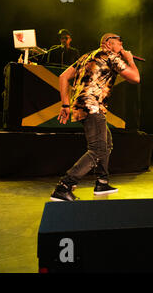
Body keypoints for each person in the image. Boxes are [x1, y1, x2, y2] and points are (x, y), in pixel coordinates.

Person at [50, 33, 141, 201]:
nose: (122, 47)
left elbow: (63, 77)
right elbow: (135, 78)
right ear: (108, 43)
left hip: (80, 105)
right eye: (120, 43)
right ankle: (64, 186)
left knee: (106, 142)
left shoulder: (87, 56)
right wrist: (130, 59)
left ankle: (102, 182)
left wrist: (65, 104)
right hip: (93, 106)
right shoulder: (111, 56)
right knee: (97, 149)